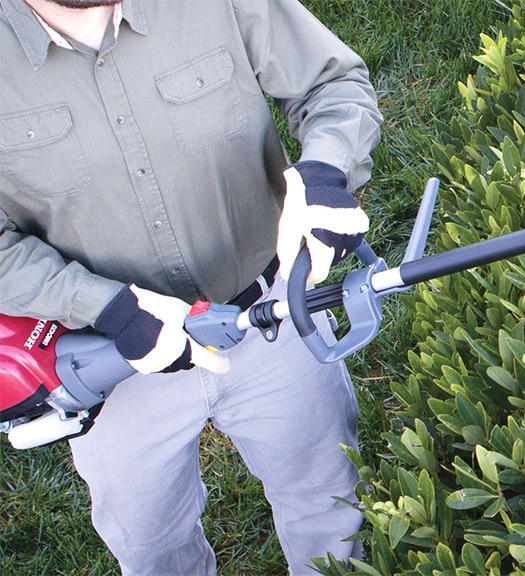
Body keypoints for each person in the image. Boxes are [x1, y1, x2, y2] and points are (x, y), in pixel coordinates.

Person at [0, 0, 382, 573]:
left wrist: (326, 174)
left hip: (271, 316)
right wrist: (103, 307)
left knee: (329, 504)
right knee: (152, 547)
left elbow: (331, 81)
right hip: (110, 358)